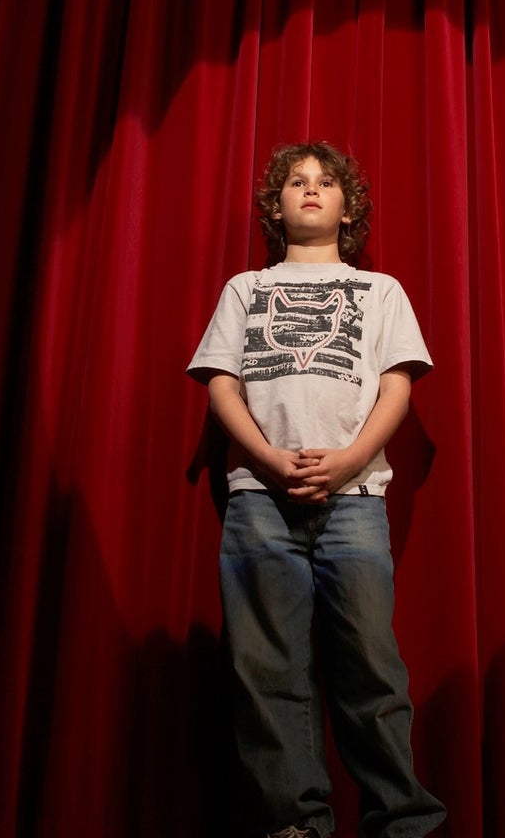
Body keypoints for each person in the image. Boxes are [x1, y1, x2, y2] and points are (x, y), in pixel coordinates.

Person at [188, 142, 447, 838]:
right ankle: (296, 823)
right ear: (275, 207)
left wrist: (351, 460)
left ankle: (403, 823)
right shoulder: (246, 289)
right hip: (258, 500)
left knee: (370, 666)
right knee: (267, 671)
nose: (310, 190)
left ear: (347, 206)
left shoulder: (380, 290)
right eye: (296, 183)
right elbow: (221, 383)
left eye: (325, 182)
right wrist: (269, 459)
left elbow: (396, 384)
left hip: (356, 503)